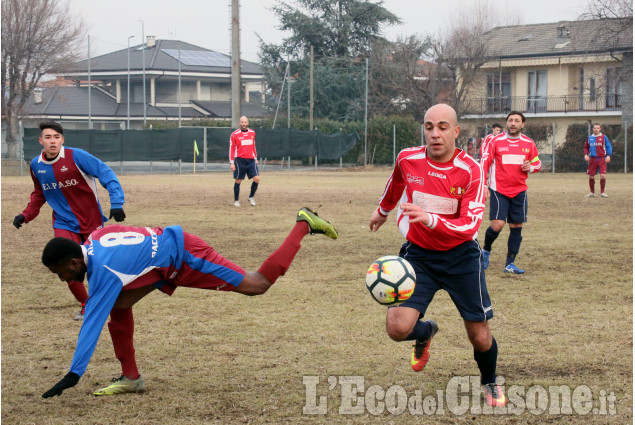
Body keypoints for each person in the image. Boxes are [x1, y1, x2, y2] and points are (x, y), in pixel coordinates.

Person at [40, 207, 338, 398]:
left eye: (61, 272)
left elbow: (90, 323)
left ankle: (303, 223)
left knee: (257, 285)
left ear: (75, 262)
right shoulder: (95, 237)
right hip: (165, 262)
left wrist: (73, 374)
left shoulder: (103, 272)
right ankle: (131, 378)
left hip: (187, 258)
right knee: (119, 307)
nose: (63, 280)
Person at [369, 104, 505, 408]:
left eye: (443, 127)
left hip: (461, 259)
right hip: (419, 257)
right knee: (397, 328)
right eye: (429, 127)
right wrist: (382, 211)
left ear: (456, 132)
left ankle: (489, 381)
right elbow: (396, 183)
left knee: (479, 336)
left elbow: (469, 225)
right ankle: (426, 330)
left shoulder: (471, 169)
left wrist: (430, 218)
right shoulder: (408, 158)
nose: (435, 133)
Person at [13, 121, 126, 320]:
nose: (52, 141)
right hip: (63, 222)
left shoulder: (77, 156)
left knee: (97, 265)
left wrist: (116, 202)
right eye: (48, 137)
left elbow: (105, 172)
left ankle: (106, 300)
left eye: (56, 137)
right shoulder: (36, 165)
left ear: (62, 140)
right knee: (65, 263)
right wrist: (26, 215)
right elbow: (39, 194)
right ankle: (86, 305)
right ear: (41, 141)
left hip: (91, 221)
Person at [480, 112, 541, 274]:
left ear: (523, 125)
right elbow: (485, 162)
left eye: (517, 121)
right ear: (507, 123)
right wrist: (484, 185)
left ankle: (510, 264)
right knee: (497, 225)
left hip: (519, 190)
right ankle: (485, 251)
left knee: (516, 226)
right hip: (498, 189)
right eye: (510, 120)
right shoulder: (496, 141)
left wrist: (532, 167)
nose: (513, 123)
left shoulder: (528, 143)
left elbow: (537, 162)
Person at [229, 116, 259, 207]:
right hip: (239, 160)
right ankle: (236, 200)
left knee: (257, 179)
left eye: (245, 122)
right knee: (238, 180)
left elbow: (253, 146)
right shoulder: (234, 134)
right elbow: (232, 148)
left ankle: (251, 197)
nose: (244, 124)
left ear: (248, 123)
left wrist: (256, 157)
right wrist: (232, 162)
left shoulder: (252, 133)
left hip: (251, 160)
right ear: (239, 123)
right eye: (242, 122)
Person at [584, 123, 612, 198]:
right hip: (593, 159)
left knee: (602, 176)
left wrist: (608, 155)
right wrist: (586, 154)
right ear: (592, 129)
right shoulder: (589, 138)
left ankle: (602, 192)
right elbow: (586, 147)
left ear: (600, 129)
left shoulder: (604, 137)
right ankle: (592, 192)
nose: (596, 129)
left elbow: (608, 146)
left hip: (602, 158)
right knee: (591, 176)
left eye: (597, 128)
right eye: (595, 128)